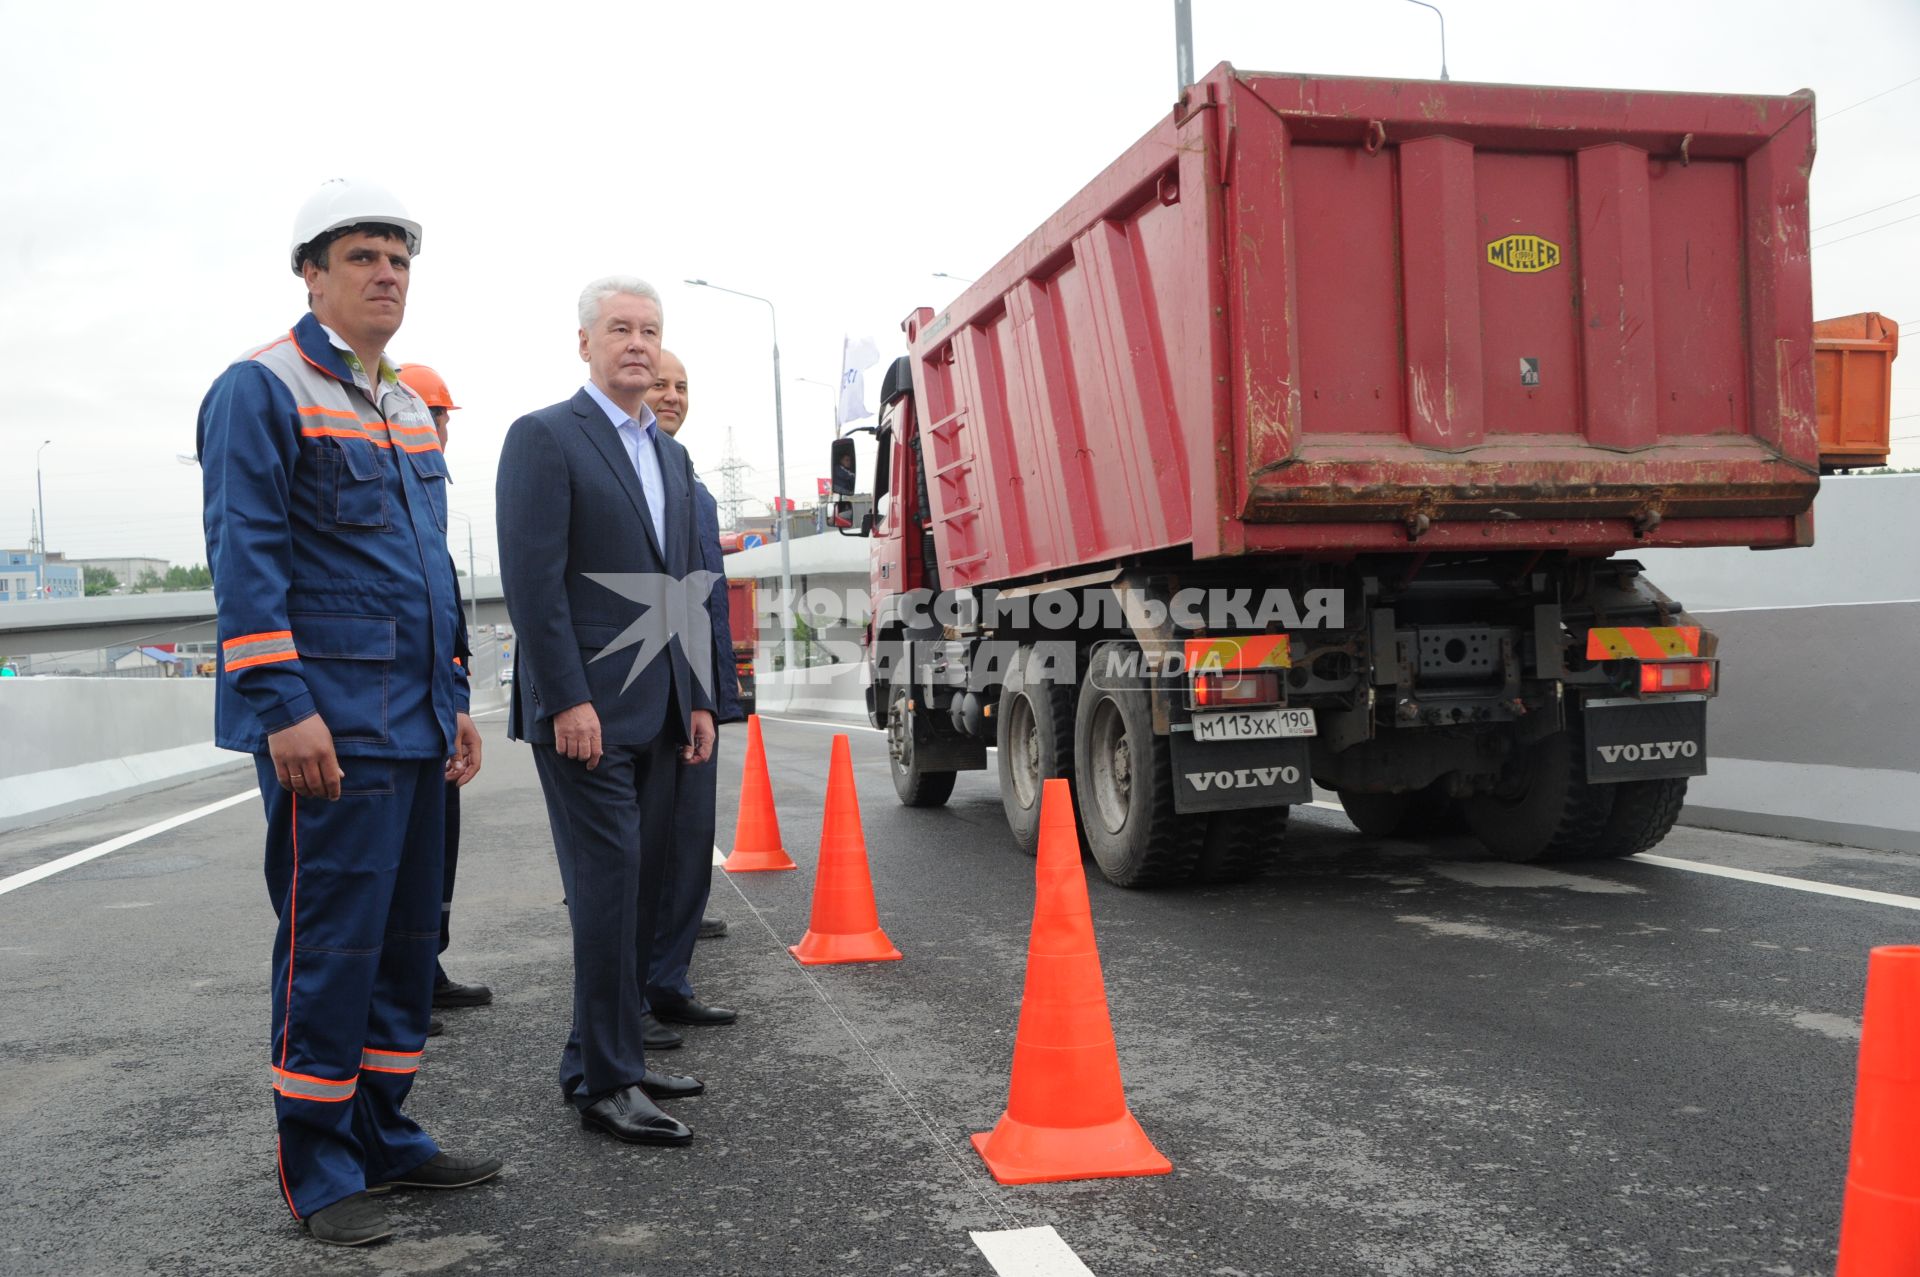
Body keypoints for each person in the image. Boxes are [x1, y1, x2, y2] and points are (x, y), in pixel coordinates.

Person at [197, 178, 501, 1248]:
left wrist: (455, 694)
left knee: (404, 944)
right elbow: (246, 557)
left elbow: (431, 572)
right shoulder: (262, 387)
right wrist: (283, 707)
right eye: (363, 255)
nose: (385, 273)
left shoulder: (406, 400)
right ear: (311, 273)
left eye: (399, 258)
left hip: (413, 723)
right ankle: (319, 1166)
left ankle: (384, 1132)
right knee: (329, 946)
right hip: (329, 726)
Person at [495, 277, 715, 1147]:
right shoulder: (546, 437)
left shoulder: (666, 453)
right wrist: (567, 699)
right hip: (586, 712)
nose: (638, 344)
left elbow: (679, 588)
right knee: (608, 887)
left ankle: (600, 1053)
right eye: (620, 329)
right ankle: (607, 1084)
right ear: (584, 342)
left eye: (650, 332)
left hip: (660, 704)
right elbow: (533, 585)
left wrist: (696, 696)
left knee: (643, 887)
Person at [642, 351, 744, 1023]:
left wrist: (710, 696)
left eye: (682, 385)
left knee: (688, 845)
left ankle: (669, 983)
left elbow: (704, 599)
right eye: (660, 383)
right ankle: (630, 1005)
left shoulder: (690, 481)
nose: (673, 394)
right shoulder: (620, 471)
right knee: (643, 855)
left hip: (693, 689)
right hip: (644, 688)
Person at [395, 363, 493, 1031]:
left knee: (436, 852)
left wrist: (456, 700)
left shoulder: (431, 498)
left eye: (446, 418)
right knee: (399, 861)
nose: (445, 428)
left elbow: (448, 625)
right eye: (438, 415)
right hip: (395, 710)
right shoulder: (392, 486)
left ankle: (424, 971)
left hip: (434, 705)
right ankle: (397, 987)